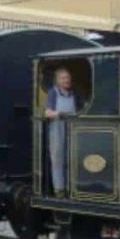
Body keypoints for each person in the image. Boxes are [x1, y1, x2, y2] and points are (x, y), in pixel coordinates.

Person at [44, 67, 84, 197]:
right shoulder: (53, 93)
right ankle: (59, 189)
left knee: (72, 157)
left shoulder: (74, 94)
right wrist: (59, 114)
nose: (67, 80)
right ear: (58, 80)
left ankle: (71, 186)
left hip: (72, 128)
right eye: (63, 78)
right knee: (58, 158)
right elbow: (47, 112)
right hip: (57, 127)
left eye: (68, 77)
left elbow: (81, 109)